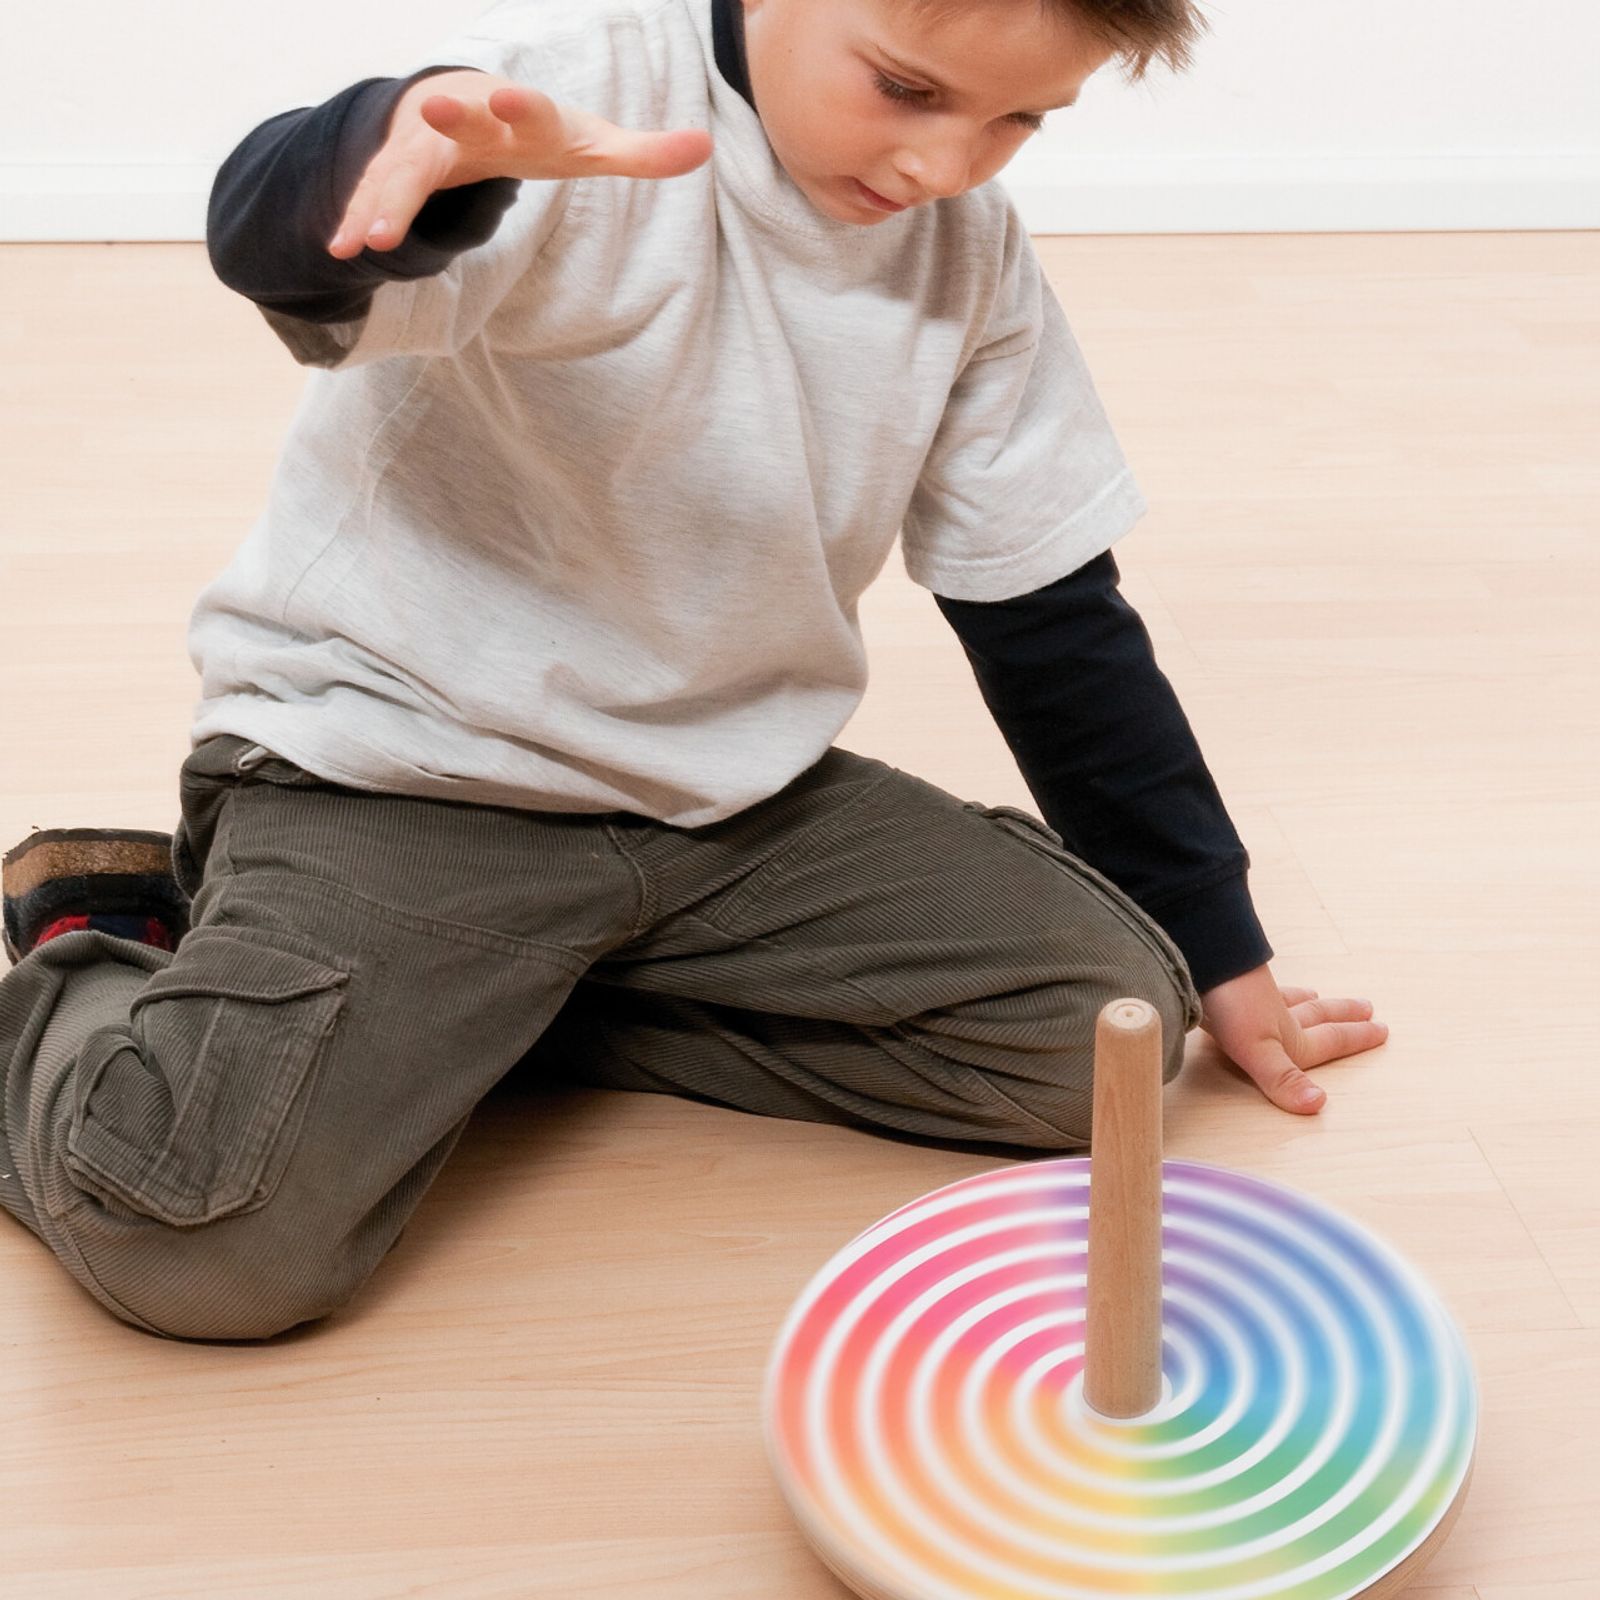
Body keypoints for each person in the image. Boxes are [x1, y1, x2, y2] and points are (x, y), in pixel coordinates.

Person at [0, 0, 1387, 1342]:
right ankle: (96, 952)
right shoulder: (551, 119)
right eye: (908, 88)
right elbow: (288, 236)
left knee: (1106, 1039)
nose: (942, 165)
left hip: (723, 807)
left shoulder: (965, 251)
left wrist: (1221, 945)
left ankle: (469, 1015)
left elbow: (1049, 614)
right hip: (401, 771)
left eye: (1020, 117)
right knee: (202, 1245)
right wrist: (386, 150)